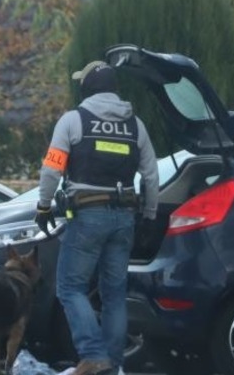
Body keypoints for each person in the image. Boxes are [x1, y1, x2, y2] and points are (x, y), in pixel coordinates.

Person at [35, 61, 159, 375]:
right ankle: (113, 363)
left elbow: (53, 167)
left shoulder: (72, 121)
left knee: (70, 288)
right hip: (124, 218)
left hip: (88, 216)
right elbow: (151, 175)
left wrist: (44, 205)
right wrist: (149, 214)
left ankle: (93, 355)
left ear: (87, 87)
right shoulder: (136, 126)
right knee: (114, 293)